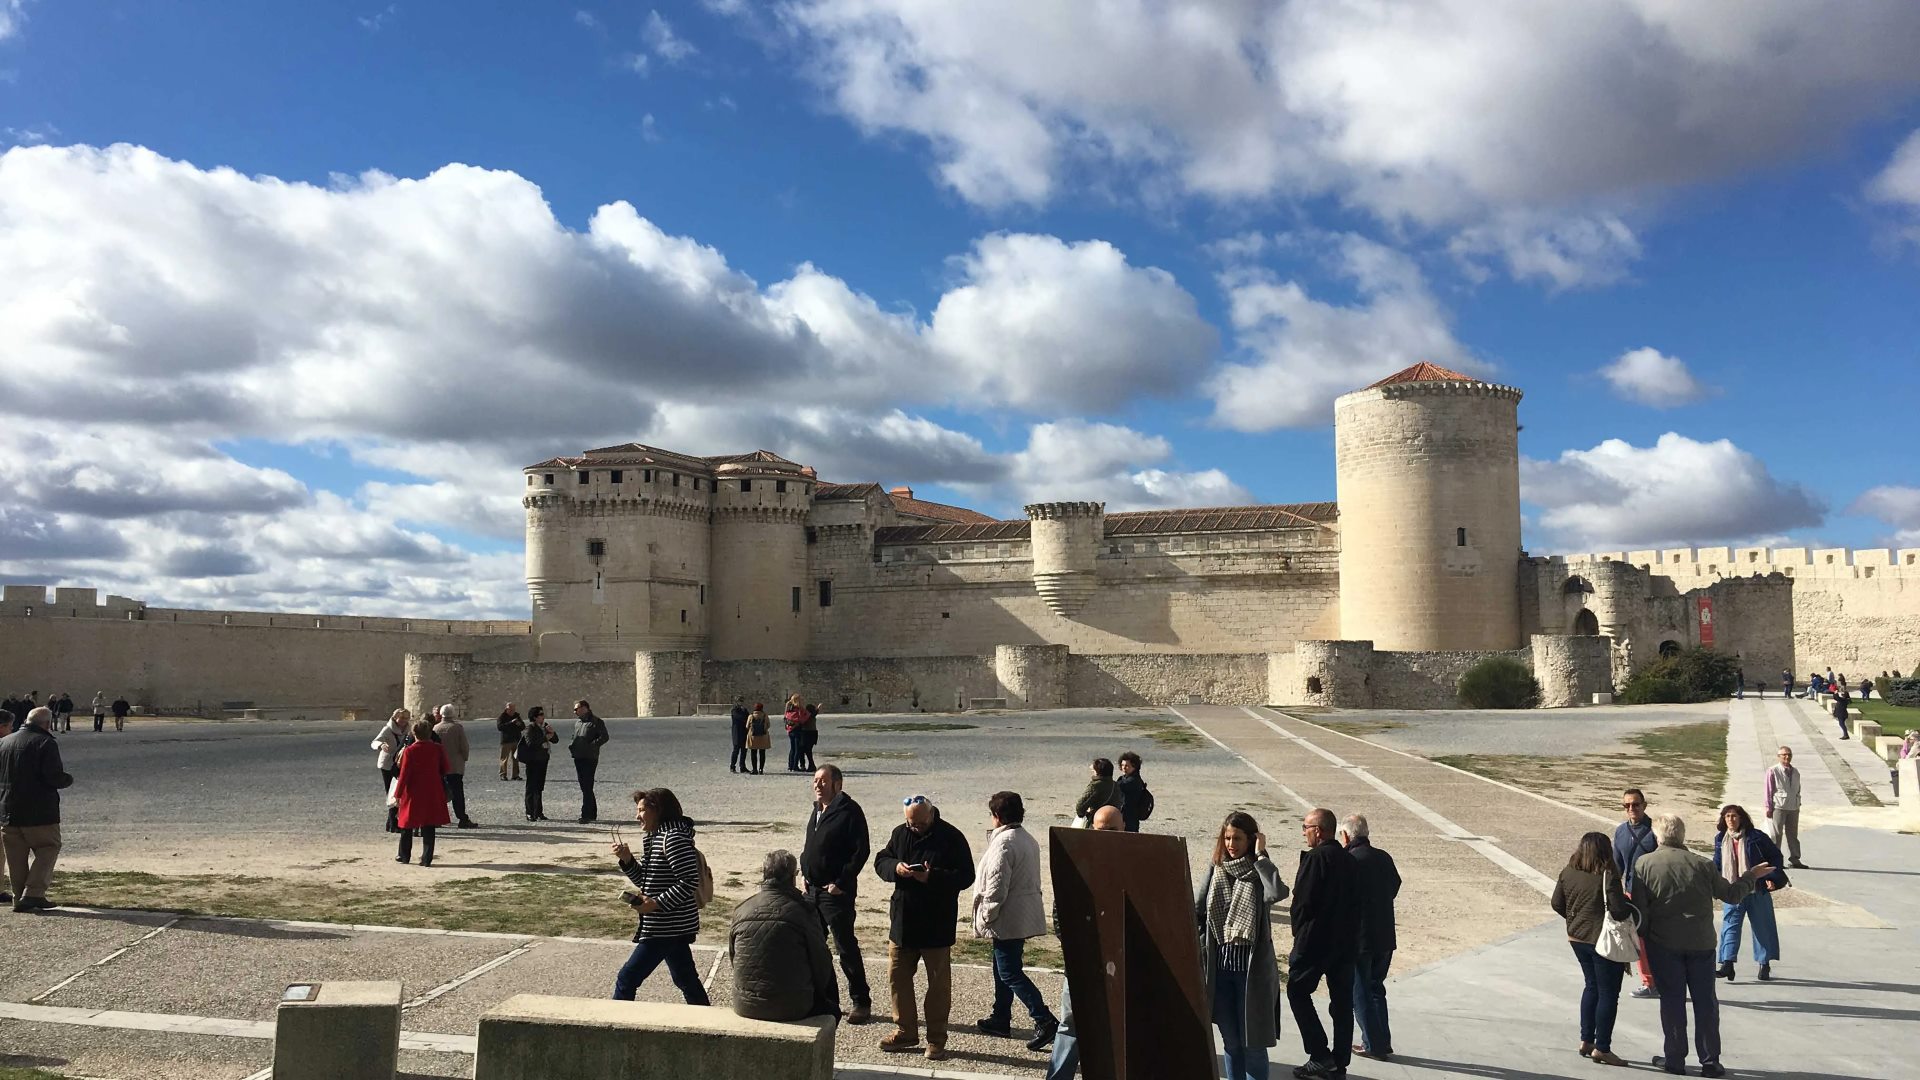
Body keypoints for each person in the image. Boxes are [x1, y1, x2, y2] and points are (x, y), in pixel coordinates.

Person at [1632, 813, 1773, 1078]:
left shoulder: (1644, 864)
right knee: (1705, 1002)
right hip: (1701, 942)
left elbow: (1641, 912)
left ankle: (1675, 1058)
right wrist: (1750, 876)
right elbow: (1731, 894)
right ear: (1682, 835)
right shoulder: (1703, 864)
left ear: (1657, 835)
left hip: (1663, 943)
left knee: (1672, 1002)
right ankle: (1710, 1061)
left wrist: (1643, 940)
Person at [874, 794, 976, 1062]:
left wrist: (932, 876)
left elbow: (966, 876)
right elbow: (881, 860)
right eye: (910, 823)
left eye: (918, 823)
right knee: (898, 979)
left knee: (938, 986)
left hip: (936, 923)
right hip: (903, 922)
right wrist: (896, 867)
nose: (914, 827)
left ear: (931, 815)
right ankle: (906, 1031)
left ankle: (936, 1040)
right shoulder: (900, 833)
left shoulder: (951, 837)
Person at [1198, 810, 1286, 1080]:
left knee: (1254, 1045)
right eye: (1227, 838)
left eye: (1237, 838)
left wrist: (1261, 856)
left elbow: (1277, 892)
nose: (1231, 844)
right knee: (1231, 1043)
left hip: (1252, 975)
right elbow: (1198, 908)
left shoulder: (1260, 870)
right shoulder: (1217, 868)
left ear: (1251, 839)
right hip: (1221, 972)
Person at [973, 791, 1060, 1050]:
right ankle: (1000, 1017)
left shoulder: (1004, 843)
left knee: (1009, 971)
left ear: (997, 816)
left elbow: (997, 885)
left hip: (1007, 915)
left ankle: (1043, 1018)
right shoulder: (1027, 838)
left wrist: (987, 914)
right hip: (1020, 913)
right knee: (1003, 969)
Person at [1046, 804, 1125, 1080]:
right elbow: (1061, 912)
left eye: (1112, 830)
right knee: (1071, 1024)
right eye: (1100, 830)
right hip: (1081, 961)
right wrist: (1073, 947)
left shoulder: (1135, 860)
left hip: (1122, 962)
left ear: (1124, 828)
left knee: (1120, 1028)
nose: (1105, 836)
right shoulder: (1079, 861)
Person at [613, 787, 710, 1005]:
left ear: (658, 811)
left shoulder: (672, 838)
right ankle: (708, 1024)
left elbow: (689, 881)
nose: (637, 816)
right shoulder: (655, 838)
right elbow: (645, 882)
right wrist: (627, 860)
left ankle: (615, 1028)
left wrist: (656, 904)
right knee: (686, 980)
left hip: (666, 925)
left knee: (627, 978)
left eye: (641, 810)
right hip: (668, 925)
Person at [1550, 831, 1635, 1066]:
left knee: (1591, 987)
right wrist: (1630, 905)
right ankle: (1603, 1047)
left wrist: (1574, 919)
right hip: (1603, 940)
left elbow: (1557, 903)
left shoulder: (1568, 872)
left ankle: (1586, 1039)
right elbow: (1618, 910)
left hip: (1577, 938)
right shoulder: (1607, 875)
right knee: (1608, 993)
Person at [730, 848, 840, 1022]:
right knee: (832, 1009)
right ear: (792, 877)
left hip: (745, 1004)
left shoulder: (742, 909)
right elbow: (821, 964)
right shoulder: (803, 911)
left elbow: (734, 957)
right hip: (791, 1006)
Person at [1287, 807, 1357, 1080]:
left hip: (1315, 943)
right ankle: (1339, 1063)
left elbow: (1303, 901)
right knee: (1342, 1004)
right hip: (1344, 944)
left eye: (1305, 827)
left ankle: (1319, 1054)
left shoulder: (1317, 858)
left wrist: (1299, 932)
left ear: (1318, 830)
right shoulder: (1349, 859)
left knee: (1297, 991)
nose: (1303, 832)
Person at [802, 765, 872, 1024]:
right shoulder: (817, 810)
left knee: (845, 946)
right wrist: (804, 873)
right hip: (812, 891)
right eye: (815, 780)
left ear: (838, 784)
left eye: (823, 781)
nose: (818, 785)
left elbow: (861, 851)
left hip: (835, 893)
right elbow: (810, 846)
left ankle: (861, 1000)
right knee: (814, 947)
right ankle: (825, 999)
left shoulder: (850, 812)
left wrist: (841, 882)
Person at [1, 706, 73, 912]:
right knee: (48, 847)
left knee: (16, 856)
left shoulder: (5, 742)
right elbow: (53, 776)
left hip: (8, 809)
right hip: (38, 809)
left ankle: (19, 897)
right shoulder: (45, 742)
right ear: (47, 724)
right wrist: (67, 779)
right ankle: (33, 893)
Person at [1342, 814, 1400, 1063]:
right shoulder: (1383, 857)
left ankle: (1372, 1043)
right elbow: (1395, 885)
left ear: (1346, 836)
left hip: (1361, 938)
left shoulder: (1350, 860)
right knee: (1376, 988)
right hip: (1385, 935)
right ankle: (1382, 1040)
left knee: (1360, 990)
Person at [1713, 804, 1789, 982]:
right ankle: (1727, 963)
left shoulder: (1756, 837)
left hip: (1757, 889)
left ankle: (1764, 964)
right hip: (1732, 891)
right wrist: (1714, 884)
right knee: (1730, 926)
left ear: (1741, 818)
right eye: (1727, 817)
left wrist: (1772, 877)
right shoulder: (1720, 839)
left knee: (1762, 927)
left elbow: (1775, 857)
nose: (1731, 820)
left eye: (1734, 816)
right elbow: (1717, 864)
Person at [1613, 788, 1659, 998]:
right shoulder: (1621, 832)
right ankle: (1650, 982)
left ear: (1644, 805)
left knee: (1658, 939)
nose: (1631, 808)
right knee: (1639, 940)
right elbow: (1617, 865)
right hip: (1632, 894)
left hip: (1655, 895)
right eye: (1627, 805)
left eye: (1636, 804)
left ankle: (1659, 980)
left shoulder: (1656, 831)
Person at [393, 718, 450, 867]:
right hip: (432, 789)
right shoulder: (437, 748)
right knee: (429, 824)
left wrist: (397, 794)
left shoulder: (410, 751)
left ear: (415, 734)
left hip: (413, 790)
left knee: (406, 823)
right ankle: (426, 858)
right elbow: (446, 768)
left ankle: (404, 855)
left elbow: (404, 774)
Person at [434, 703, 477, 829]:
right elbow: (464, 746)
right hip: (454, 766)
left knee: (441, 792)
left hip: (439, 766)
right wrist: (464, 758)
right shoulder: (457, 728)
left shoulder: (435, 728)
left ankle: (437, 818)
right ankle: (462, 818)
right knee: (457, 793)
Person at [1762, 746, 1806, 869]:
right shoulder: (1773, 771)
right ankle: (1775, 860)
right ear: (1779, 756)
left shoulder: (1795, 772)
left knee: (1793, 835)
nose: (1787, 757)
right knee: (1776, 835)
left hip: (1793, 807)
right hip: (1779, 806)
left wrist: (1798, 803)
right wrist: (1768, 807)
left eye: (1789, 755)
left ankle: (1795, 859)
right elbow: (1768, 790)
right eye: (1784, 755)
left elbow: (1798, 788)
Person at [372, 708, 412, 833]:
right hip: (388, 765)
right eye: (402, 718)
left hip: (399, 765)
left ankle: (391, 823)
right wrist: (381, 745)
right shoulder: (387, 729)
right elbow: (374, 742)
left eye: (406, 718)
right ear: (395, 718)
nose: (404, 720)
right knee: (392, 794)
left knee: (397, 793)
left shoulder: (408, 730)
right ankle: (393, 823)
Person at [569, 699, 609, 823]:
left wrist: (592, 745)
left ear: (585, 708)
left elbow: (604, 737)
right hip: (578, 757)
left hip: (590, 757)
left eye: (577, 709)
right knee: (585, 786)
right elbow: (575, 736)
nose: (575, 711)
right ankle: (592, 813)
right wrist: (573, 745)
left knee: (587, 785)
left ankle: (586, 814)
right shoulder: (578, 723)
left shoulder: (596, 722)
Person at [518, 706, 558, 822]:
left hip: (543, 759)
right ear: (535, 717)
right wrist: (545, 737)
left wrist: (552, 733)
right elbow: (530, 743)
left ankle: (538, 811)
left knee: (539, 787)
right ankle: (529, 812)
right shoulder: (529, 728)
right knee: (531, 787)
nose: (543, 716)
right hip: (533, 761)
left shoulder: (544, 726)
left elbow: (555, 740)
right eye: (540, 714)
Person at [1115, 751, 1153, 833]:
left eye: (1127, 766)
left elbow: (1117, 786)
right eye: (1122, 765)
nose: (1124, 768)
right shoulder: (1123, 778)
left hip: (1130, 818)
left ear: (1134, 767)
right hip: (1124, 815)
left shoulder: (1134, 781)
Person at [1073, 758, 1120, 823]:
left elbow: (1080, 806)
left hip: (1097, 821)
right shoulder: (1116, 785)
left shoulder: (1096, 785)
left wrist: (1085, 814)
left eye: (1093, 770)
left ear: (1098, 772)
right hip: (1113, 821)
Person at [496, 702, 524, 781]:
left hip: (516, 740)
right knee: (504, 758)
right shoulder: (502, 717)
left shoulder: (517, 716)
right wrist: (510, 723)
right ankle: (503, 774)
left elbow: (523, 726)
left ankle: (515, 775)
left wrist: (518, 723)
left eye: (513, 709)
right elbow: (500, 727)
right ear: (507, 709)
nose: (512, 711)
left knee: (516, 758)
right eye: (510, 709)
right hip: (506, 741)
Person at [785, 693, 809, 773]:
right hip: (797, 730)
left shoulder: (789, 708)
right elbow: (802, 719)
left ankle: (790, 765)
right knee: (797, 749)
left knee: (792, 749)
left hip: (790, 730)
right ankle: (795, 766)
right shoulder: (798, 709)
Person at [745, 702, 771, 775]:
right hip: (763, 737)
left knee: (753, 753)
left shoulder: (751, 716)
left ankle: (754, 769)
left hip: (753, 737)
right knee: (762, 753)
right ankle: (761, 769)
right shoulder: (765, 716)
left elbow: (747, 726)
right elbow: (768, 725)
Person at [729, 700, 750, 774]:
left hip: (744, 732)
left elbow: (748, 718)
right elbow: (739, 718)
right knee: (736, 750)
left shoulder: (744, 710)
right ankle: (732, 766)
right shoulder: (734, 710)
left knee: (744, 751)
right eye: (739, 701)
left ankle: (742, 767)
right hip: (737, 733)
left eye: (742, 701)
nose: (741, 703)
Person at [802, 702, 821, 772]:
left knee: (807, 751)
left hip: (808, 733)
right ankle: (811, 765)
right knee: (808, 751)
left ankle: (811, 765)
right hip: (813, 733)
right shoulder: (813, 715)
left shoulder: (808, 716)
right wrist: (818, 708)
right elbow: (815, 712)